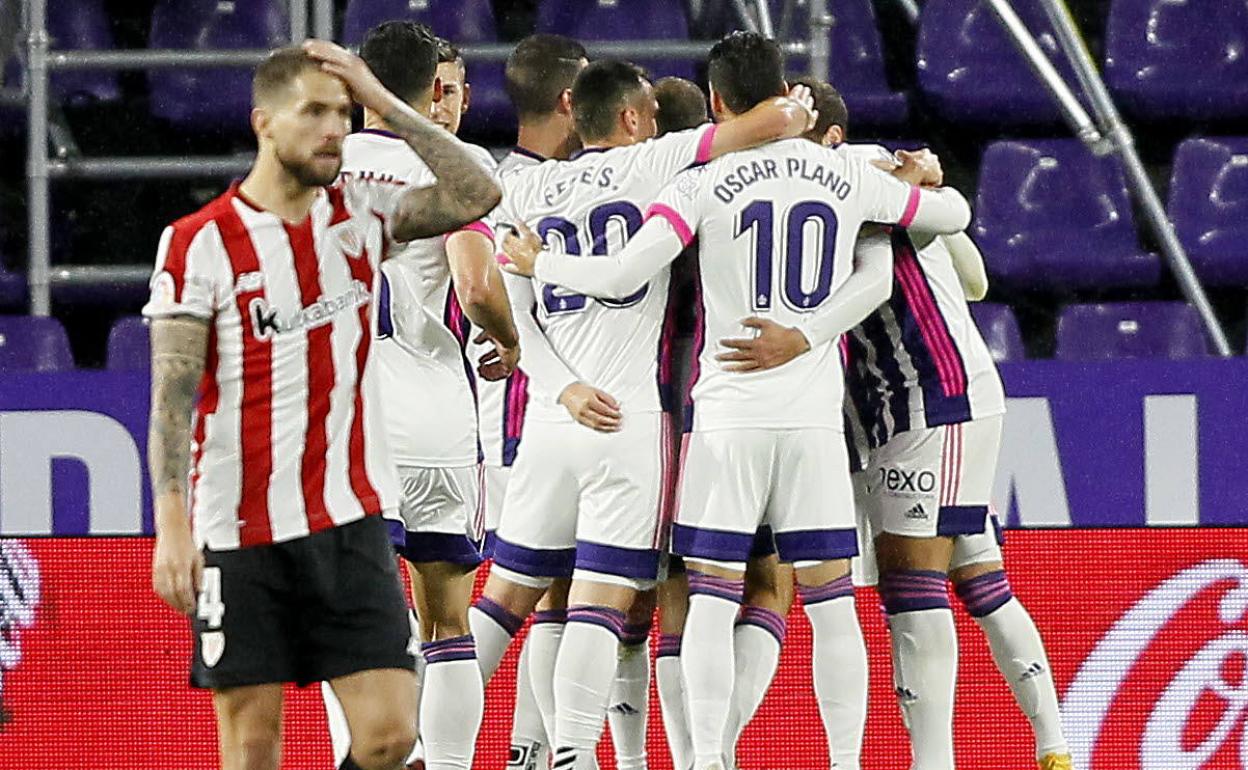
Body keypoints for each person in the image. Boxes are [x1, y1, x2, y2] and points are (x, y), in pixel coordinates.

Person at [499, 31, 969, 770]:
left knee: (710, 601)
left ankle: (703, 761)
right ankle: (846, 762)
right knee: (831, 602)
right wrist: (919, 185)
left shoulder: (701, 182)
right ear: (783, 90)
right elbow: (953, 218)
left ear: (717, 102)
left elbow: (624, 270)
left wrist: (540, 260)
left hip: (722, 416)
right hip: (811, 420)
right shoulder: (842, 172)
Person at [145, 40, 499, 770]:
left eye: (341, 112)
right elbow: (172, 394)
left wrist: (391, 104)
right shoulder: (198, 243)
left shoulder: (362, 216)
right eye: (314, 112)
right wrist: (173, 524)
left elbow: (477, 194)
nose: (333, 128)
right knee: (253, 742)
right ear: (264, 123)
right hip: (242, 522)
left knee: (392, 735)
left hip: (351, 514)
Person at [484, 56, 817, 770]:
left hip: (551, 409)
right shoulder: (668, 169)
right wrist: (801, 116)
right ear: (636, 118)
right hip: (672, 411)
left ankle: (458, 749)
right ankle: (671, 756)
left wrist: (556, 380)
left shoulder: (522, 184)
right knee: (671, 596)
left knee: (520, 599)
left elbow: (504, 303)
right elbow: (776, 120)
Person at [732, 76, 1072, 770]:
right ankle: (1055, 747)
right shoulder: (879, 174)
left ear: (827, 136)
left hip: (929, 394)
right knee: (978, 573)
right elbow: (973, 280)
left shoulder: (848, 172)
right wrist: (928, 203)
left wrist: (921, 197)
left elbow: (935, 256)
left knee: (910, 581)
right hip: (911, 402)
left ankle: (935, 760)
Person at [318, 21, 520, 770]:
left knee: (358, 613)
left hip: (342, 418)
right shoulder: (458, 166)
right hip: (433, 411)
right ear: (436, 91)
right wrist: (509, 340)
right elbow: (474, 283)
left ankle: (368, 758)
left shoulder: (314, 163)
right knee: (447, 619)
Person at [463, 32, 590, 770]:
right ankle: (420, 739)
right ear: (571, 100)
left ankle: (527, 754)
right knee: (531, 590)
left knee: (556, 591)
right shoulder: (518, 192)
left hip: (534, 412)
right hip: (526, 412)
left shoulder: (504, 185)